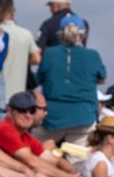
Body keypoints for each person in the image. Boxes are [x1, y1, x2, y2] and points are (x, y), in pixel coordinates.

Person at [0, 91, 80, 177]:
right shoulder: (4, 128)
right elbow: (32, 162)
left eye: (31, 110)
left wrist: (73, 176)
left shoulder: (25, 135)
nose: (28, 115)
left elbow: (54, 160)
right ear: (9, 111)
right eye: (22, 110)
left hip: (15, 175)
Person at [36, 13, 105, 147]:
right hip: (83, 116)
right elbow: (102, 78)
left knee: (37, 151)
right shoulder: (92, 55)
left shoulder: (49, 54)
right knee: (79, 161)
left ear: (60, 33)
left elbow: (40, 78)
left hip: (53, 117)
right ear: (82, 34)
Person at [0, 0, 39, 101]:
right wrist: (24, 58)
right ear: (13, 11)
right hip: (18, 94)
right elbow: (37, 59)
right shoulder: (25, 34)